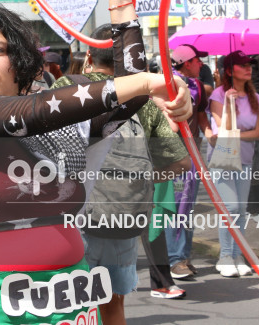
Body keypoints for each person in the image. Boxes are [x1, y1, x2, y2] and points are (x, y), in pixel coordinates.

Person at [0, 0, 192, 324]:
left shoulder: (58, 128)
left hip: (68, 299)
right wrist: (153, 83)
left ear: (19, 60)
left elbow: (129, 99)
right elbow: (28, 111)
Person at [53, 25, 192, 321]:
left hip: (72, 216)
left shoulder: (67, 87)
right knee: (113, 303)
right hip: (122, 217)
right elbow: (181, 163)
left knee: (70, 306)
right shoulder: (143, 100)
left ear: (89, 56)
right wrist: (142, 179)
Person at [209, 50, 259, 278]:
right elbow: (223, 132)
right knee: (229, 208)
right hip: (223, 160)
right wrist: (230, 106)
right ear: (230, 71)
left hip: (245, 160)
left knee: (241, 210)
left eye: (250, 64)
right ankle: (225, 255)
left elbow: (258, 132)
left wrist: (236, 133)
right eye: (242, 65)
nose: (249, 68)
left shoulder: (256, 98)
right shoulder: (218, 95)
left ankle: (239, 255)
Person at [167, 44, 214, 280]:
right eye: (198, 60)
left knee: (188, 207)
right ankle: (174, 260)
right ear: (186, 63)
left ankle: (184, 257)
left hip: (193, 153)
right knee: (175, 207)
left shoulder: (196, 86)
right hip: (174, 157)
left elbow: (202, 114)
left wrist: (210, 133)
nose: (201, 64)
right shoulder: (167, 84)